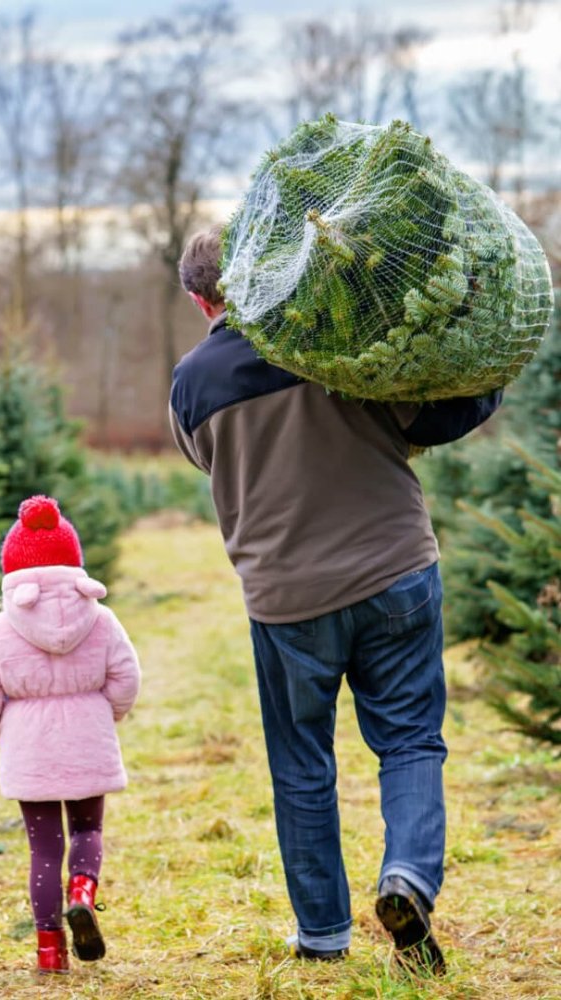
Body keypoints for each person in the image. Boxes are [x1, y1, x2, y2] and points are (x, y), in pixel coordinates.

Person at [169, 225, 504, 974]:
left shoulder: (191, 384)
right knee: (411, 740)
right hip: (395, 572)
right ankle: (409, 878)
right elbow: (435, 419)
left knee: (301, 764)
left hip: (288, 600)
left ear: (200, 300)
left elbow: (208, 463)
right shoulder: (329, 341)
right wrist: (489, 373)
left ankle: (322, 935)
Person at [0, 495, 141, 975]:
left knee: (43, 849)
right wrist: (110, 716)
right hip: (88, 741)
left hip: (29, 748)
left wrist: (3, 732)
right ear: (74, 563)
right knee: (88, 829)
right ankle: (82, 891)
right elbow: (126, 678)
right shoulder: (102, 620)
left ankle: (50, 952)